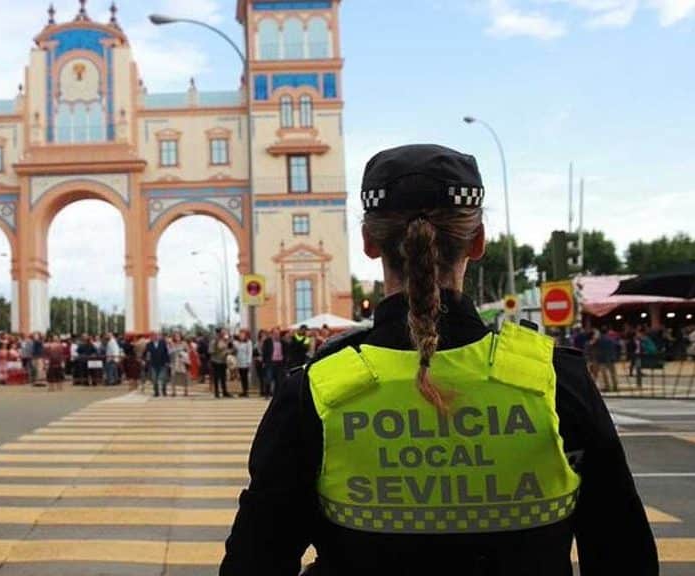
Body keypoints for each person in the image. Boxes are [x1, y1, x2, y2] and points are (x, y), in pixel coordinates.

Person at [220, 144, 658, 575]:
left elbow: (256, 559)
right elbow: (624, 554)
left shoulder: (317, 390)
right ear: (479, 241)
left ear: (370, 242)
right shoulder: (553, 379)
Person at [261, 328, 287, 398]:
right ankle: (267, 393)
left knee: (278, 380)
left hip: (280, 363)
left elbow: (286, 352)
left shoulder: (283, 342)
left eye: (278, 334)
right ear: (272, 334)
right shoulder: (267, 342)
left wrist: (285, 361)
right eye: (275, 334)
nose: (276, 335)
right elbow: (264, 352)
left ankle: (276, 394)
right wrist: (264, 362)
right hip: (270, 362)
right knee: (268, 379)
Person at [144, 332, 171, 397]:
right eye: (153, 336)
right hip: (153, 364)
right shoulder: (148, 344)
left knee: (163, 378)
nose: (155, 337)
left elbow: (166, 353)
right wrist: (145, 360)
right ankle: (156, 392)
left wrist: (168, 362)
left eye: (156, 336)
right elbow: (146, 353)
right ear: (151, 337)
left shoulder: (163, 343)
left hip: (163, 364)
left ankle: (164, 391)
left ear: (159, 337)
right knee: (154, 379)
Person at [234, 330, 253, 397]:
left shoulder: (248, 342)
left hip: (246, 361)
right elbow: (236, 348)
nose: (241, 336)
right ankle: (243, 390)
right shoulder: (237, 343)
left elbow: (250, 352)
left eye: (242, 334)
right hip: (239, 361)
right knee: (242, 377)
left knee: (245, 377)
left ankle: (246, 391)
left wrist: (249, 362)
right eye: (240, 335)